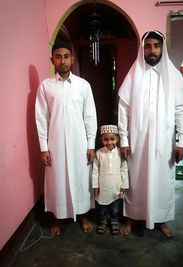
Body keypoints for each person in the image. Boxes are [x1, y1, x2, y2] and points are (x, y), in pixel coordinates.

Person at [118, 30, 183, 237]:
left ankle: (161, 219)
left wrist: (181, 142)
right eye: (148, 46)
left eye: (156, 45)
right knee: (135, 179)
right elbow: (123, 109)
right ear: (143, 48)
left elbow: (181, 110)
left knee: (162, 182)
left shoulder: (174, 76)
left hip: (163, 141)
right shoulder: (133, 75)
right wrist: (124, 139)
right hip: (137, 141)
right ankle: (131, 217)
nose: (152, 50)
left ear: (162, 48)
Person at [35, 40, 97, 235]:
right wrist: (44, 147)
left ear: (73, 59)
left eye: (66, 56)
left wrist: (90, 144)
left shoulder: (83, 85)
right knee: (56, 180)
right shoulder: (45, 86)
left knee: (81, 178)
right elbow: (41, 118)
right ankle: (57, 217)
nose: (63, 61)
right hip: (55, 144)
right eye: (58, 57)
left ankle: (83, 214)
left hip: (79, 143)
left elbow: (90, 116)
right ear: (52, 59)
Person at [92, 125, 129, 235]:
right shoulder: (98, 153)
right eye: (106, 139)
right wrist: (95, 185)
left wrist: (123, 185)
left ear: (117, 139)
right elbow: (95, 171)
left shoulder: (120, 153)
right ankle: (103, 221)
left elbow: (124, 170)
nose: (109, 142)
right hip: (103, 186)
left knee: (115, 207)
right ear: (101, 140)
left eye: (112, 139)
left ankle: (114, 222)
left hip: (116, 185)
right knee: (103, 206)